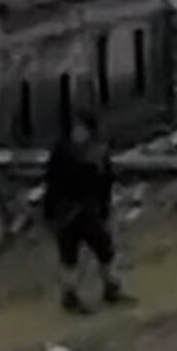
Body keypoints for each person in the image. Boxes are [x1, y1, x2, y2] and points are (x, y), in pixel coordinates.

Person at [44, 108, 125, 314]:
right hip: (66, 211)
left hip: (87, 209)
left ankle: (110, 287)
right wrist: (51, 214)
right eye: (75, 128)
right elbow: (53, 184)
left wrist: (104, 207)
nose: (77, 132)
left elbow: (106, 182)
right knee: (70, 255)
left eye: (81, 128)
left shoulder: (98, 152)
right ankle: (70, 295)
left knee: (104, 248)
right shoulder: (62, 153)